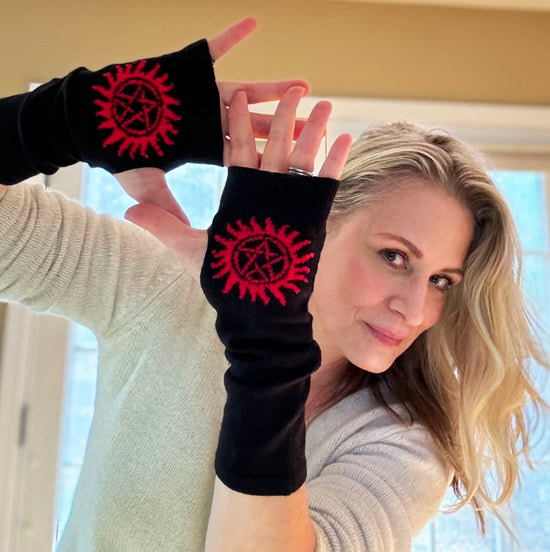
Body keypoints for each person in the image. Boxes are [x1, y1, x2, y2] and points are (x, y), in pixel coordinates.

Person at [0, 17, 547, 552]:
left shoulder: (399, 441)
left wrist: (266, 340)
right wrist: (62, 120)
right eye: (395, 256)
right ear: (317, 225)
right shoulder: (164, 290)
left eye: (441, 280)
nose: (415, 308)